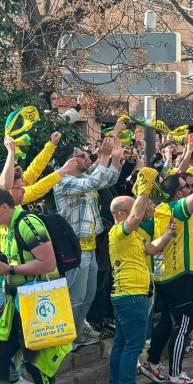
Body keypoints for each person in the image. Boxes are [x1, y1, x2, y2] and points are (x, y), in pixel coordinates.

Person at [140, 145, 193, 384]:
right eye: (186, 187)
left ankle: (152, 364)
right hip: (183, 275)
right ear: (177, 194)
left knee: (166, 322)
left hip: (169, 275)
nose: (191, 189)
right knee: (184, 324)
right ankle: (175, 373)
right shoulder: (176, 209)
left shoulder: (165, 208)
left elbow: (188, 185)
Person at [53, 136, 123, 347]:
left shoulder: (82, 179)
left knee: (87, 296)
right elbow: (95, 181)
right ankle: (67, 339)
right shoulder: (63, 181)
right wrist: (103, 155)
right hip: (75, 249)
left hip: (90, 247)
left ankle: (77, 333)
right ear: (70, 162)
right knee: (75, 298)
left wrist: (116, 159)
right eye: (81, 156)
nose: (86, 159)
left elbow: (106, 180)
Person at [107, 178, 174, 384]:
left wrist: (168, 234)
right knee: (133, 347)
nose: (141, 210)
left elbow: (152, 249)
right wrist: (144, 188)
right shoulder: (119, 231)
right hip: (131, 295)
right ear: (120, 215)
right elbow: (136, 216)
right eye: (133, 207)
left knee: (121, 344)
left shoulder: (134, 235)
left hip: (128, 296)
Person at [0, 189, 59, 384]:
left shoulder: (27, 223)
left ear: (3, 208)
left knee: (36, 364)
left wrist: (10, 269)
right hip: (15, 303)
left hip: (35, 302)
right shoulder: (8, 227)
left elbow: (48, 263)